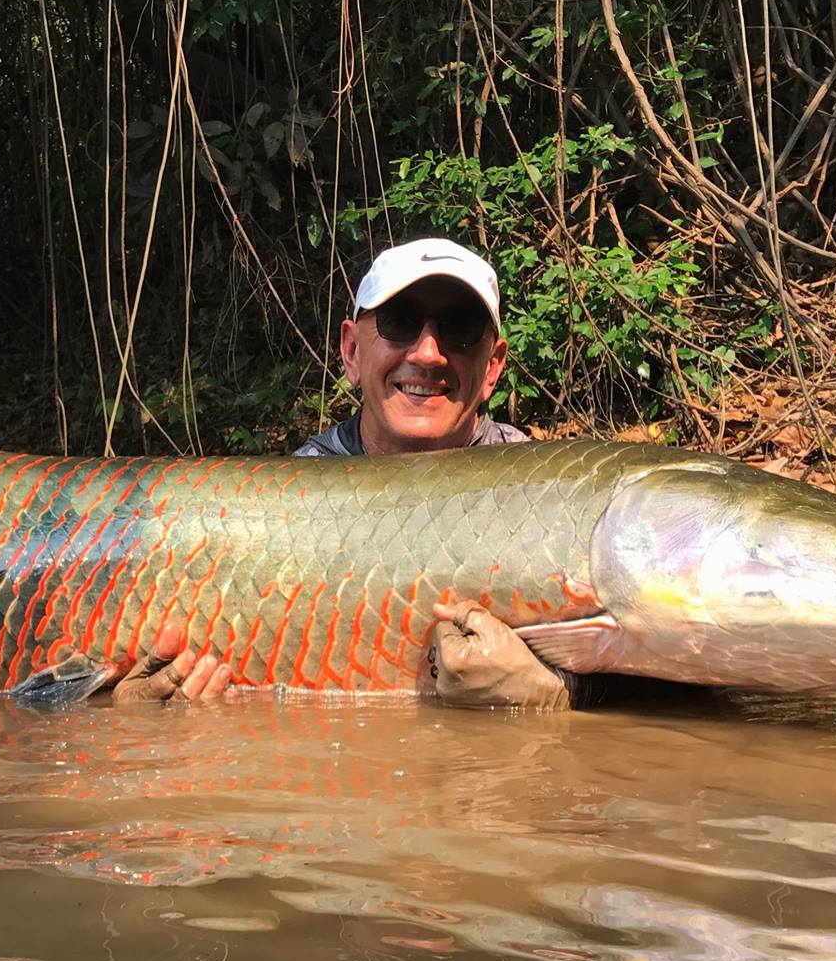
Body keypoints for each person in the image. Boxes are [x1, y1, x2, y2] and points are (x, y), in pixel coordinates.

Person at [118, 238, 577, 710]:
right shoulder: (290, 498)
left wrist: (559, 693)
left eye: (460, 328)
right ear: (353, 352)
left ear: (493, 367)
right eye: (400, 323)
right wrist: (145, 710)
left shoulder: (543, 495)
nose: (427, 353)